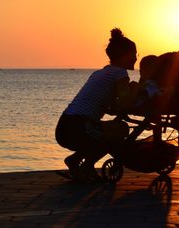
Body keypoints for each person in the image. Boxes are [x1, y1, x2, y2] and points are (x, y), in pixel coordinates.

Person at [55, 28, 138, 181]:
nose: (136, 58)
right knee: (120, 130)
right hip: (78, 128)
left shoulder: (99, 73)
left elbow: (109, 105)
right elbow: (126, 101)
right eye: (134, 54)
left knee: (107, 129)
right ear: (125, 55)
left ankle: (74, 161)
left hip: (64, 127)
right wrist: (136, 90)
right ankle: (87, 165)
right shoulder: (120, 73)